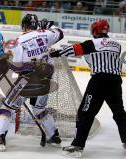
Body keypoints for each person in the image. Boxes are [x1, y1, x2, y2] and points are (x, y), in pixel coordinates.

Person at [0, 14, 64, 151]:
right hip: (46, 81)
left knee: (7, 107)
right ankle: (54, 136)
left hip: (28, 80)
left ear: (23, 25)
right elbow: (60, 33)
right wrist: (49, 27)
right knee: (39, 109)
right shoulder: (46, 34)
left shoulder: (18, 41)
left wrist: (6, 63)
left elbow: (17, 66)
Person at [50, 20, 126, 157]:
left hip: (99, 81)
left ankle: (78, 145)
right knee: (119, 113)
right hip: (115, 82)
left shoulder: (92, 43)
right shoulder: (117, 44)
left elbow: (73, 49)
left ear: (95, 31)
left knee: (85, 113)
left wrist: (55, 53)